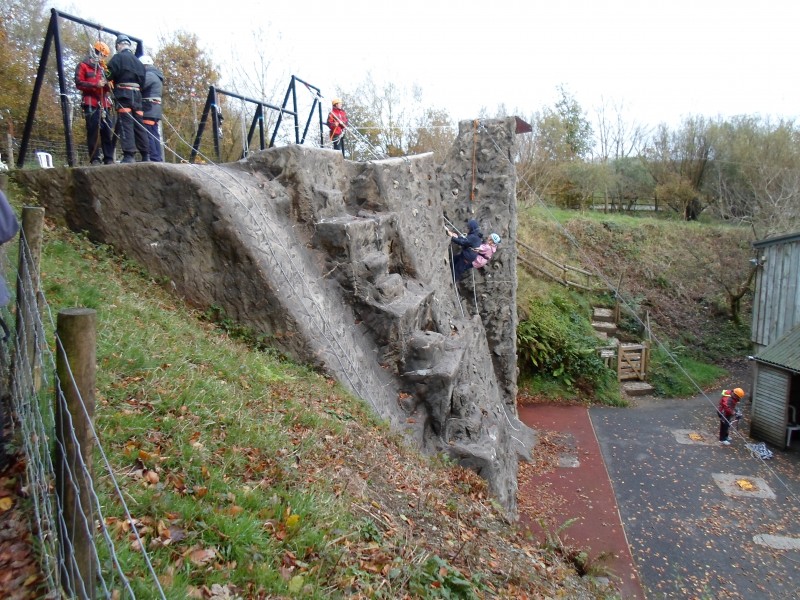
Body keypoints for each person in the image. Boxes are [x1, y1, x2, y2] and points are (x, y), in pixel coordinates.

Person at [106, 35, 149, 163]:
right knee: (139, 125)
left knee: (126, 123)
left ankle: (129, 155)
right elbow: (144, 80)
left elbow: (108, 74)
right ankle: (145, 154)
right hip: (137, 95)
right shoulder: (138, 62)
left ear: (119, 45)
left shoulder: (117, 58)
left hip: (124, 93)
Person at [74, 41, 116, 165]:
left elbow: (111, 84)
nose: (102, 58)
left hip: (104, 103)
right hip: (91, 102)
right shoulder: (83, 66)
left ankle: (108, 158)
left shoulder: (104, 68)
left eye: (104, 56)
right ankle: (95, 158)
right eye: (101, 54)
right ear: (95, 52)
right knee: (93, 131)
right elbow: (78, 82)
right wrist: (95, 85)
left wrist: (109, 85)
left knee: (106, 131)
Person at [139, 55, 164, 162]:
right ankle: (157, 156)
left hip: (149, 108)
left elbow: (140, 86)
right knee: (154, 133)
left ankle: (153, 157)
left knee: (148, 133)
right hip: (155, 108)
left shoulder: (149, 74)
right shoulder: (157, 75)